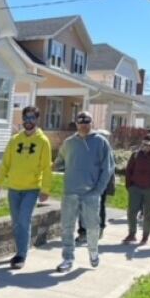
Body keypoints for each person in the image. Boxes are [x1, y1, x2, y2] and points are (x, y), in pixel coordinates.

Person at [0, 106, 52, 270]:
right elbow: (5, 164)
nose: (28, 122)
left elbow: (47, 167)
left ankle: (21, 255)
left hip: (31, 189)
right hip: (14, 189)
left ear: (37, 120)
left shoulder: (43, 141)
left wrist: (45, 189)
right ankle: (20, 249)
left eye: (32, 118)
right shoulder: (15, 140)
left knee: (24, 220)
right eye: (26, 118)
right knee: (16, 222)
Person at [54, 111, 114, 272]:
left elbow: (108, 168)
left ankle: (93, 253)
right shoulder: (69, 143)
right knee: (67, 226)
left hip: (91, 194)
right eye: (81, 122)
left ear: (92, 123)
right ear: (77, 123)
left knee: (93, 227)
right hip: (70, 192)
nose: (84, 125)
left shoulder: (101, 142)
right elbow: (60, 161)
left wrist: (98, 190)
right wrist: (51, 166)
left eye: (87, 122)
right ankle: (67, 258)